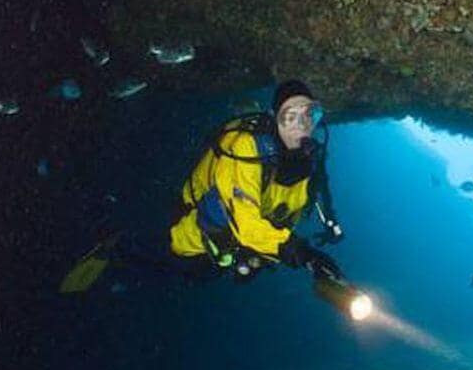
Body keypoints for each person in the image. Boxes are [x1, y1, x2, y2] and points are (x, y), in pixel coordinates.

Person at [60, 80, 345, 292]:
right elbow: (245, 222)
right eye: (289, 115)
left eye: (309, 114)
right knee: (178, 266)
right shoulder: (244, 147)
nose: (301, 124)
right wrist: (303, 254)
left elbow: (311, 197)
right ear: (274, 118)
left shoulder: (310, 157)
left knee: (204, 277)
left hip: (242, 244)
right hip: (196, 227)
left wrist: (328, 225)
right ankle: (117, 246)